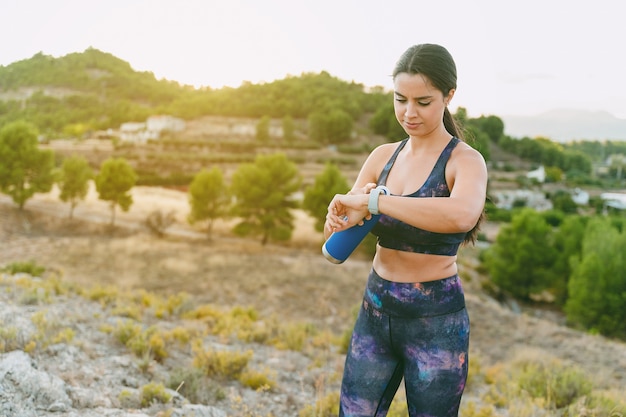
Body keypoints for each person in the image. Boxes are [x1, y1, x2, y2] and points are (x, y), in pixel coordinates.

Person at [324, 43, 488, 417]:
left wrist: (376, 203)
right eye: (400, 99)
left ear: (449, 96)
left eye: (423, 102)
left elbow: (461, 215)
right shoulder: (382, 156)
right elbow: (352, 216)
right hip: (376, 309)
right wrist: (339, 221)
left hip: (436, 321)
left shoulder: (465, 161)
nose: (409, 113)